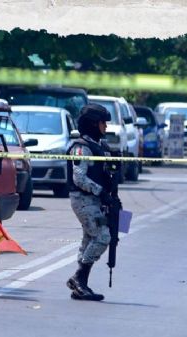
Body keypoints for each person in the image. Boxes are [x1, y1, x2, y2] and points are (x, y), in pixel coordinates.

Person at [65, 104, 119, 301]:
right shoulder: (81, 147)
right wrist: (101, 191)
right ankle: (79, 278)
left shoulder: (100, 145)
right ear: (93, 124)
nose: (106, 126)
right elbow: (79, 177)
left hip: (98, 200)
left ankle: (81, 285)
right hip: (84, 199)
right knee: (103, 236)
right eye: (103, 123)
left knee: (89, 238)